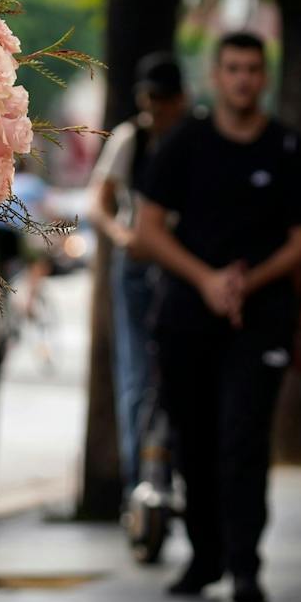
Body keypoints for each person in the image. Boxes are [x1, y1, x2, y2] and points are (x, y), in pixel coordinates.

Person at [135, 32, 301, 602]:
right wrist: (207, 280)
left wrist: (248, 281)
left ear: (264, 78)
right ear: (216, 76)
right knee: (196, 441)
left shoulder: (287, 147)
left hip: (259, 318)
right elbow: (147, 231)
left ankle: (245, 563)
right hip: (189, 316)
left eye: (252, 69)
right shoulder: (185, 142)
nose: (242, 79)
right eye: (232, 68)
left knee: (243, 438)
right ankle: (204, 556)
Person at [89, 53, 187, 488]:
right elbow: (99, 199)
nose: (156, 109)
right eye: (150, 99)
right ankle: (139, 486)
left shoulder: (192, 138)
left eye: (163, 100)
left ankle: (176, 474)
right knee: (136, 378)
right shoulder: (133, 138)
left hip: (183, 266)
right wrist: (121, 235)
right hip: (139, 264)